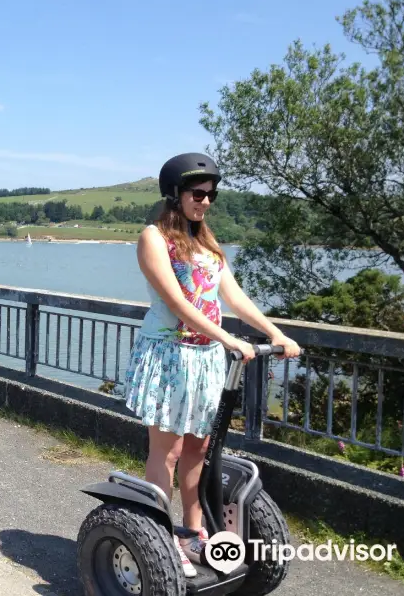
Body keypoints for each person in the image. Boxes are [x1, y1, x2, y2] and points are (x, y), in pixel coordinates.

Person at [123, 152, 301, 577]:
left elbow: (233, 297)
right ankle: (160, 536)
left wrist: (274, 333)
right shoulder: (153, 237)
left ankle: (193, 532)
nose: (205, 201)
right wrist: (229, 339)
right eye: (198, 193)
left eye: (211, 195)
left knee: (199, 448)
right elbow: (177, 302)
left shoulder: (206, 242)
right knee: (165, 452)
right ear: (175, 193)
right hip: (170, 355)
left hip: (205, 359)